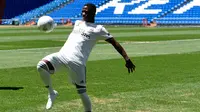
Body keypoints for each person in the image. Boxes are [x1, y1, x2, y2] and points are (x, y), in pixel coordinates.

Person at [37, 3, 135, 112]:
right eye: (83, 11)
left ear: (93, 13)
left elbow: (115, 43)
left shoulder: (99, 29)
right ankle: (52, 93)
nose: (83, 13)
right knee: (41, 66)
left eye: (86, 11)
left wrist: (127, 59)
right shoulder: (78, 23)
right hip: (61, 56)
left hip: (77, 63)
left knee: (82, 92)